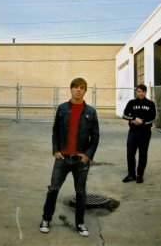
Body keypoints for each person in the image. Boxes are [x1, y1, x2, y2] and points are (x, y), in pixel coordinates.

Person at [39, 78, 100, 237]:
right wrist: (56, 151)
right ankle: (46, 219)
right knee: (53, 189)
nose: (78, 90)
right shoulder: (62, 109)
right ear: (71, 89)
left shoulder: (91, 112)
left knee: (80, 192)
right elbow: (55, 132)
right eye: (75, 87)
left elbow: (95, 136)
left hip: (81, 161)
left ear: (85, 91)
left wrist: (88, 155)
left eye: (81, 88)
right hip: (62, 159)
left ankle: (80, 223)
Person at [122, 84, 157, 184]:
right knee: (130, 153)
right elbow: (124, 115)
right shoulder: (131, 103)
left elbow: (153, 118)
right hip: (133, 132)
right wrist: (133, 120)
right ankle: (131, 174)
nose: (141, 93)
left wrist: (142, 121)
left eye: (143, 91)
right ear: (136, 92)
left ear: (146, 92)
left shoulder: (150, 104)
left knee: (143, 154)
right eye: (139, 91)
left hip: (145, 133)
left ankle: (140, 175)